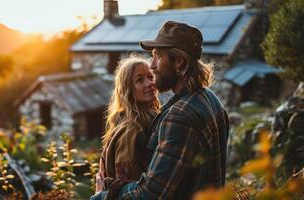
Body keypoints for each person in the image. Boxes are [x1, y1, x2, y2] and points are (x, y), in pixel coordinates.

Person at [91, 20, 229, 200]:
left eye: (157, 56)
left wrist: (102, 196)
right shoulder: (211, 99)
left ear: (179, 62)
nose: (153, 65)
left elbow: (150, 194)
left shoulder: (180, 116)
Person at [95, 56, 160, 198]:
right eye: (139, 80)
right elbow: (125, 183)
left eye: (150, 77)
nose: (149, 83)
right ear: (128, 89)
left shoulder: (150, 117)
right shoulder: (131, 129)